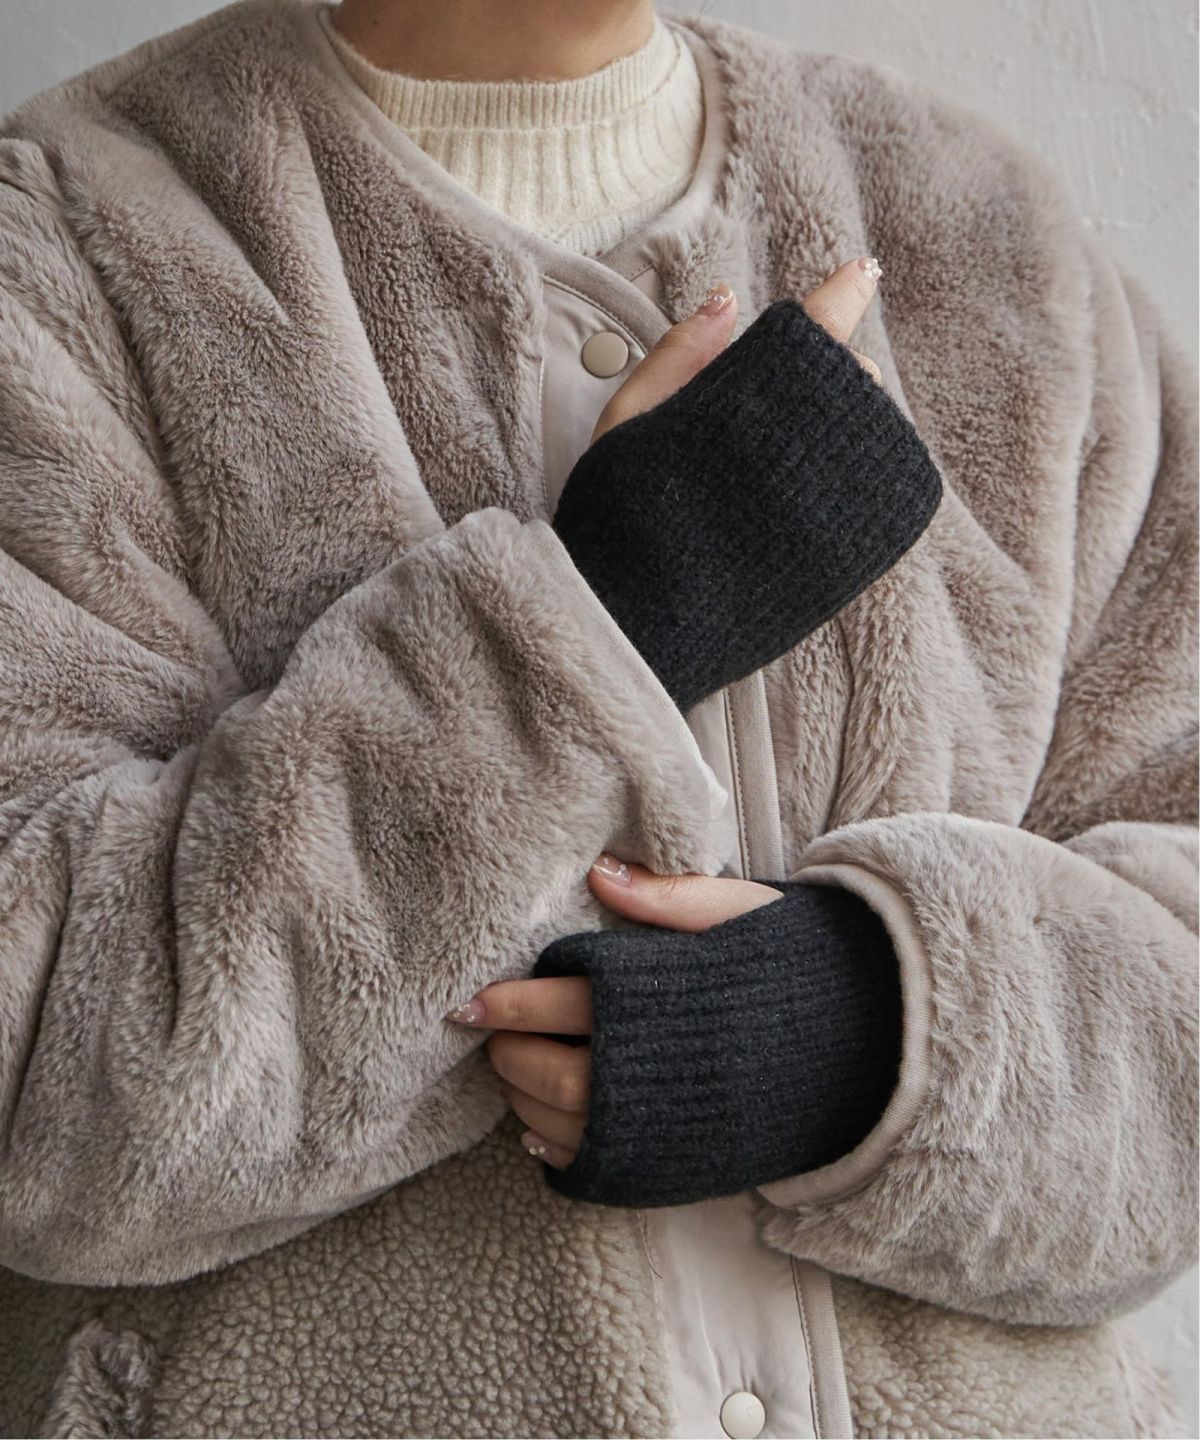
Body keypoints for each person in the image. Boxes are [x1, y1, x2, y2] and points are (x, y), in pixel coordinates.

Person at [0, 0, 1195, 1435]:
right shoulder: (66, 239)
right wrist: (618, 611)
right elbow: (38, 1090)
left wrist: (882, 1037)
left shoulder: (991, 241)